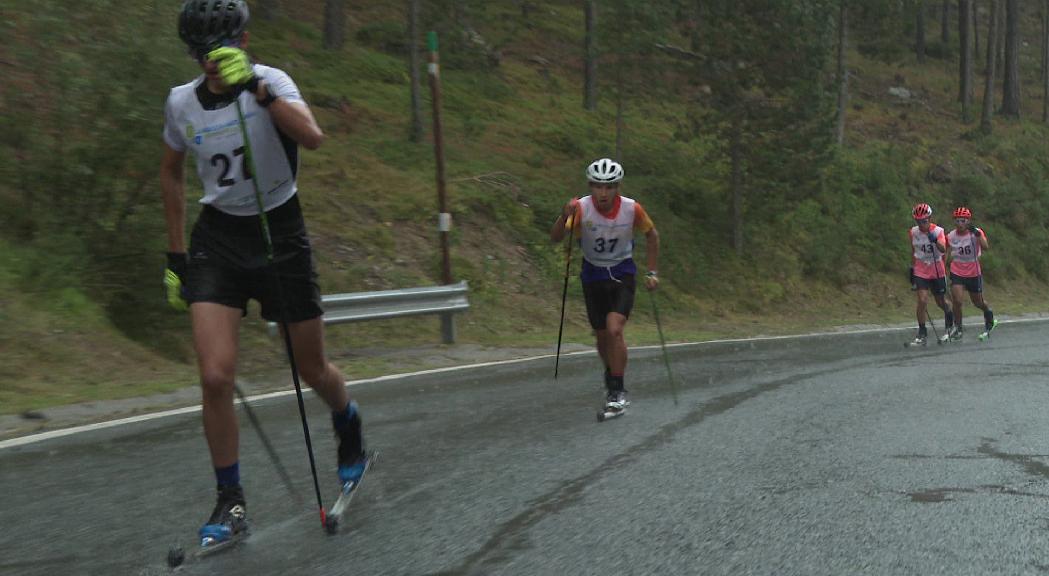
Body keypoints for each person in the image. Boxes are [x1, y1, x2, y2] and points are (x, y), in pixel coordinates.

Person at [159, 0, 367, 546]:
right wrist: (176, 256)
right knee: (215, 376)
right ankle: (230, 501)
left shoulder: (269, 80)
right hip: (219, 240)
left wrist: (258, 89)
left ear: (243, 41)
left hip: (281, 232)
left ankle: (348, 421)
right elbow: (172, 173)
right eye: (200, 50)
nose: (210, 59)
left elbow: (313, 138)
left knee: (312, 368)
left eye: (221, 46)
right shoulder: (181, 102)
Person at [550, 158, 660, 414]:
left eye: (609, 187)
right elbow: (556, 238)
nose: (603, 192)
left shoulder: (633, 209)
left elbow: (652, 235)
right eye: (598, 186)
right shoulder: (580, 208)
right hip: (592, 275)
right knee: (601, 336)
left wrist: (652, 271)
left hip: (622, 273)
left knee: (614, 330)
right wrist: (563, 216)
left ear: (617, 187)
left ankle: (617, 390)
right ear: (590, 186)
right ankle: (612, 376)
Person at [946, 206, 997, 341]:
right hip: (957, 270)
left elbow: (985, 247)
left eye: (963, 221)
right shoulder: (951, 235)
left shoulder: (976, 232)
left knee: (978, 302)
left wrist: (978, 235)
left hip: (973, 271)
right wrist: (943, 265)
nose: (960, 224)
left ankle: (988, 313)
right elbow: (946, 251)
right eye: (957, 221)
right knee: (957, 300)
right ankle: (958, 328)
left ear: (968, 221)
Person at [908, 203, 955, 345]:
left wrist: (934, 240)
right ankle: (922, 332)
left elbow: (943, 249)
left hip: (936, 269)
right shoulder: (913, 232)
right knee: (922, 300)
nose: (921, 224)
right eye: (918, 221)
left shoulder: (938, 231)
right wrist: (912, 269)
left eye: (924, 221)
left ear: (929, 218)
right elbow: (914, 250)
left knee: (941, 302)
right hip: (921, 269)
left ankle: (950, 325)